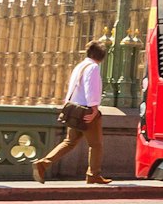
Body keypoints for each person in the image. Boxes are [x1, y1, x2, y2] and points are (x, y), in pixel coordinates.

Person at [36, 42, 110, 184]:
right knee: (96, 145)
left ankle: (43, 164)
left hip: (74, 109)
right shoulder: (93, 67)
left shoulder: (80, 66)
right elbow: (91, 89)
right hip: (86, 112)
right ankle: (93, 174)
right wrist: (94, 109)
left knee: (69, 142)